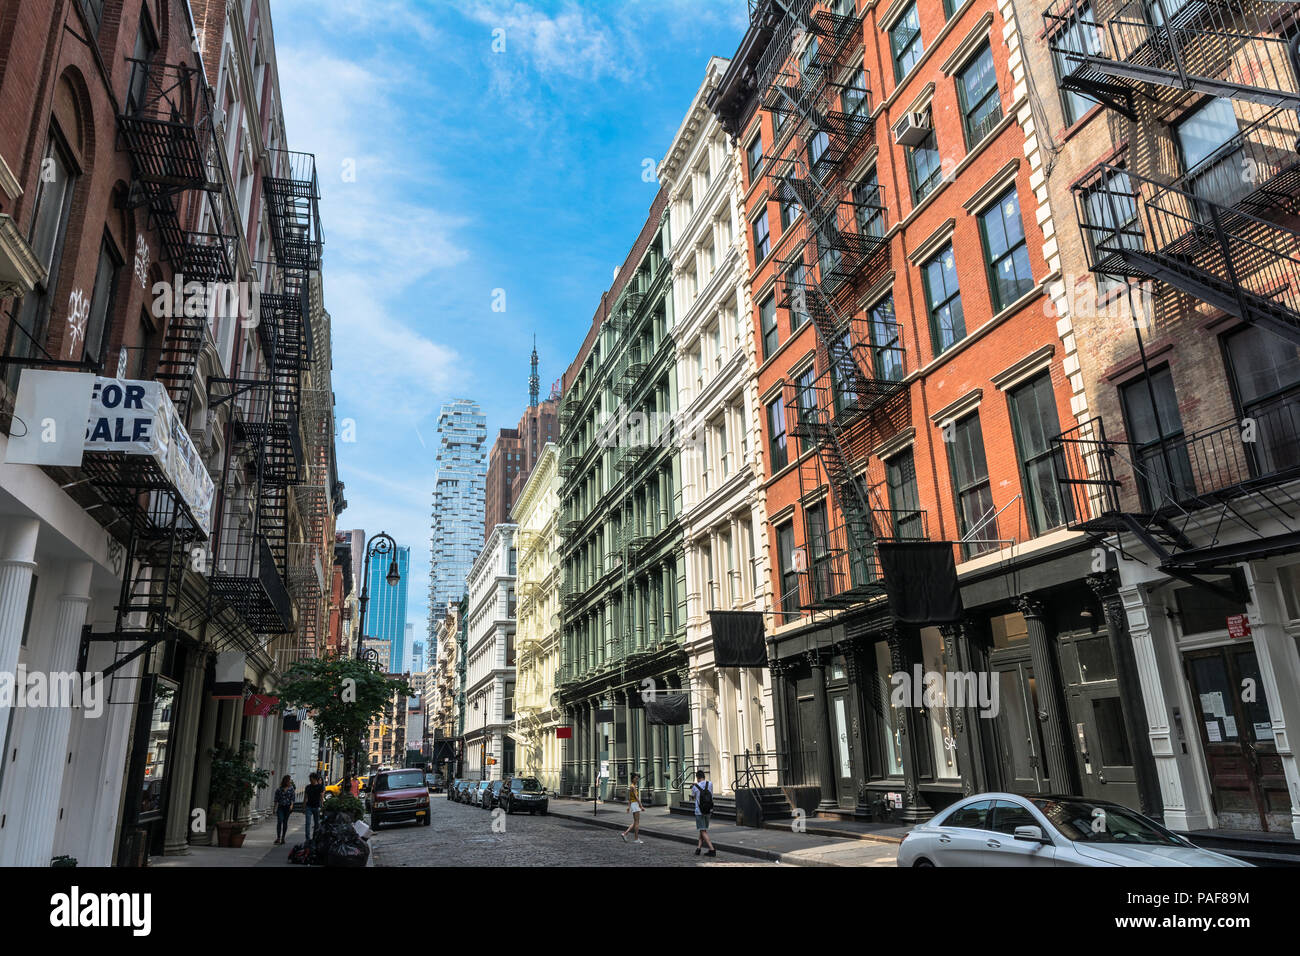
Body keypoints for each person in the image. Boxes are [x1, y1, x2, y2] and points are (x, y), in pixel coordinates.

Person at [691, 770, 716, 857]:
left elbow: (693, 797)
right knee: (703, 829)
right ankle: (698, 849)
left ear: (697, 777)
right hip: (708, 810)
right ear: (704, 776)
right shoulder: (710, 784)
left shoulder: (695, 787)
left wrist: (693, 787)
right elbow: (711, 795)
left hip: (699, 811)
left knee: (702, 830)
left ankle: (712, 849)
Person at [620, 772, 644, 844]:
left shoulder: (632, 786)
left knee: (635, 822)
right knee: (637, 823)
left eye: (637, 779)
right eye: (636, 779)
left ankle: (625, 834)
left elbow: (630, 798)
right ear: (633, 779)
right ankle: (636, 838)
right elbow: (636, 797)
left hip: (634, 804)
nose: (637, 780)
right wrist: (641, 805)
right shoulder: (633, 787)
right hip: (635, 804)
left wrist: (628, 807)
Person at [273, 775, 295, 845]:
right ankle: (278, 838)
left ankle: (283, 838)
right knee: (280, 821)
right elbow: (276, 800)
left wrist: (291, 806)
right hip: (281, 807)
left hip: (287, 807)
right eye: (289, 780)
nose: (290, 782)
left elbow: (292, 798)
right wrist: (274, 808)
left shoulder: (291, 789)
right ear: (285, 781)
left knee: (285, 822)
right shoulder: (279, 789)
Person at [303, 772, 324, 842]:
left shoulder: (320, 787)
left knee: (316, 824)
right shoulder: (308, 787)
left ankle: (314, 837)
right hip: (309, 806)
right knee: (308, 823)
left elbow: (321, 796)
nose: (310, 780)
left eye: (311, 779)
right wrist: (304, 806)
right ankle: (307, 839)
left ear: (315, 779)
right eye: (310, 779)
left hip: (316, 807)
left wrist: (322, 805)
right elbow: (305, 797)